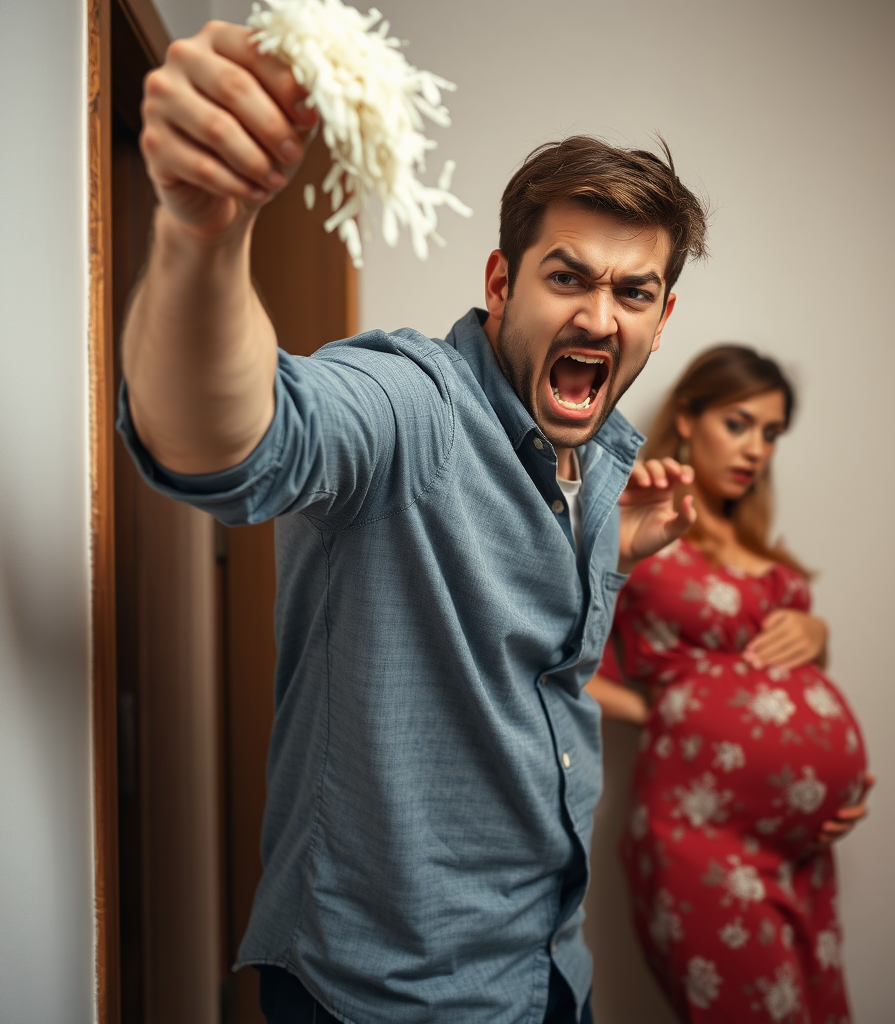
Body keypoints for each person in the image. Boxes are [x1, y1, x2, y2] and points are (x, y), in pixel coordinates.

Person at [120, 20, 709, 1024]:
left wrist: (609, 546)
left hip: (546, 972)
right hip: (379, 993)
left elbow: (521, 657)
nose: (600, 317)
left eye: (632, 292)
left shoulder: (608, 453)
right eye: (566, 276)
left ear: (662, 318)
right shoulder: (414, 407)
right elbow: (232, 440)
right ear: (499, 283)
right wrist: (200, 235)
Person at [586, 345, 873, 1023]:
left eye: (771, 433)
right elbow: (558, 655)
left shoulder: (770, 563)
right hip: (699, 834)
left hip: (804, 851)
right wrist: (667, 710)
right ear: (687, 417)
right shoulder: (639, 526)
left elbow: (779, 684)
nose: (756, 449)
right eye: (738, 424)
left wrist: (817, 637)